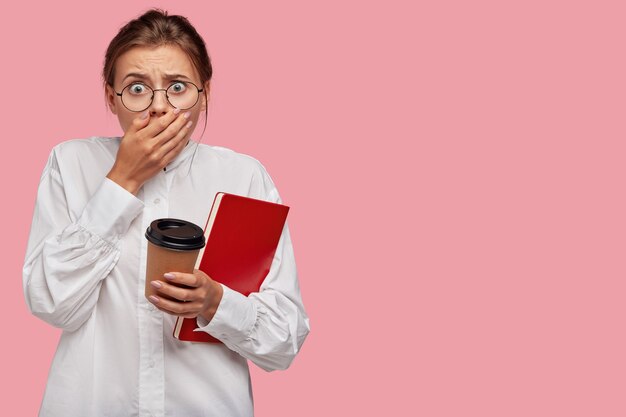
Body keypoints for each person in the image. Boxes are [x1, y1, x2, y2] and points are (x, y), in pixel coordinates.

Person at [22, 8, 310, 417]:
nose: (158, 108)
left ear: (205, 92)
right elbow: (51, 303)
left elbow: (284, 341)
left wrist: (216, 303)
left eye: (178, 87)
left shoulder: (243, 176)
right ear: (111, 97)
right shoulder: (70, 163)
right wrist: (122, 180)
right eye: (137, 88)